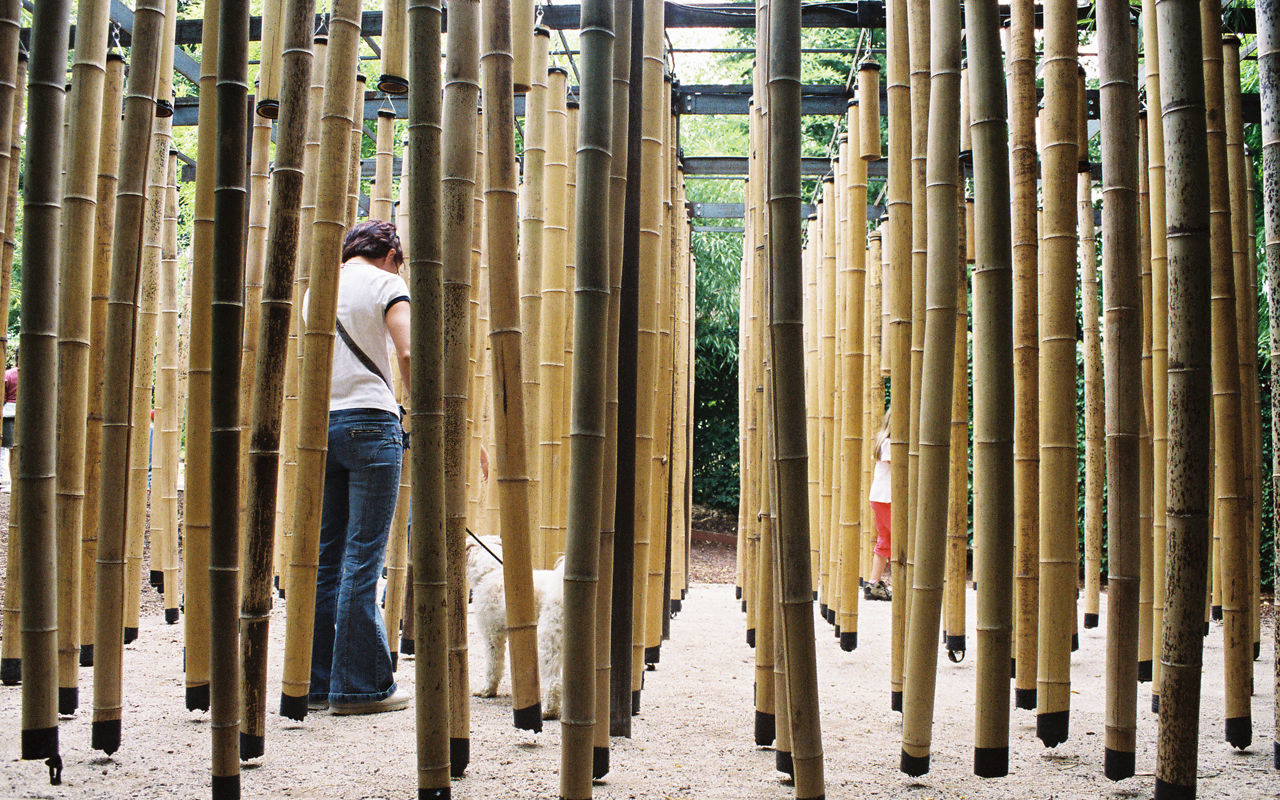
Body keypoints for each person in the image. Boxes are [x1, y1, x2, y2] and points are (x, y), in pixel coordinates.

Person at [308, 220, 412, 715]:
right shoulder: (388, 283)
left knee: (326, 560)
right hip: (372, 422)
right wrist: (416, 409)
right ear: (391, 253)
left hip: (322, 428)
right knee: (363, 559)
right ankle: (359, 689)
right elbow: (408, 350)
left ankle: (314, 681)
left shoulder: (318, 289)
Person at [865, 410, 891, 601]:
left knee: (885, 540)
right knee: (901, 539)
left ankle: (873, 584)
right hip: (887, 498)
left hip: (881, 498)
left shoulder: (883, 441)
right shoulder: (890, 443)